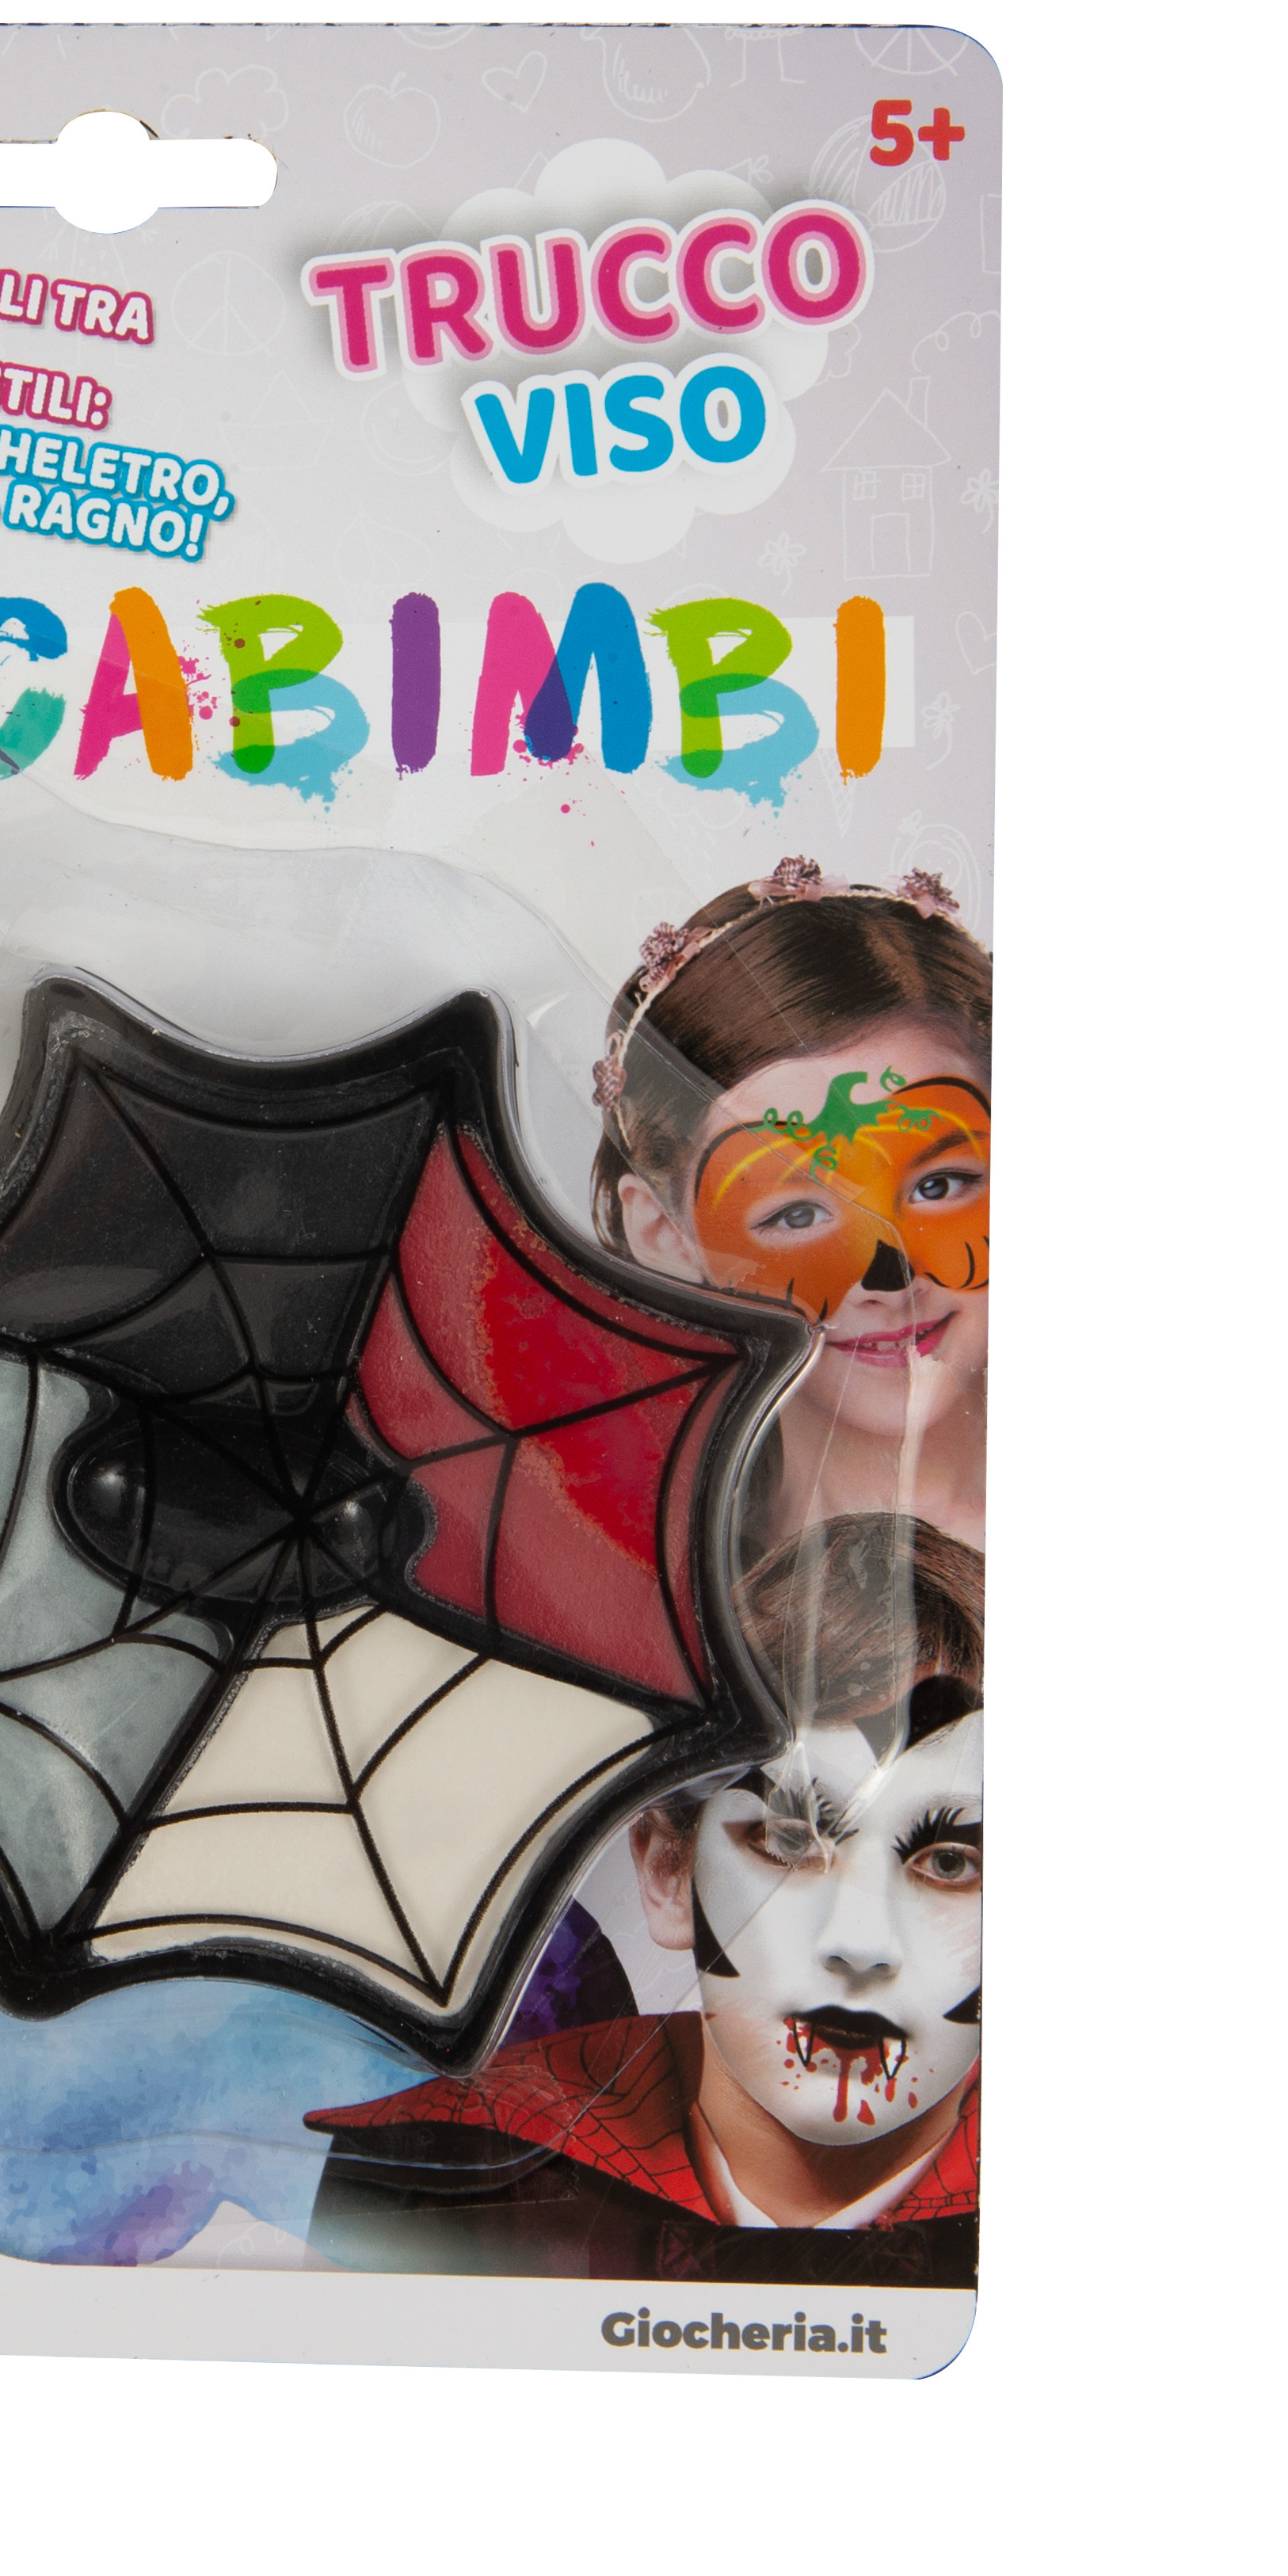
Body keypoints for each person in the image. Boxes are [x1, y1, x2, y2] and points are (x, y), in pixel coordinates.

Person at [304, 1514, 982, 2287]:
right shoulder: (437, 2174)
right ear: (668, 1869)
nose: (860, 1944)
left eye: (949, 1862)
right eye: (790, 1842)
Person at [586, 859, 989, 1557]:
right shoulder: (650, 1581)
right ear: (662, 1233)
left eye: (938, 1185)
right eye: (797, 1215)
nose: (891, 1277)